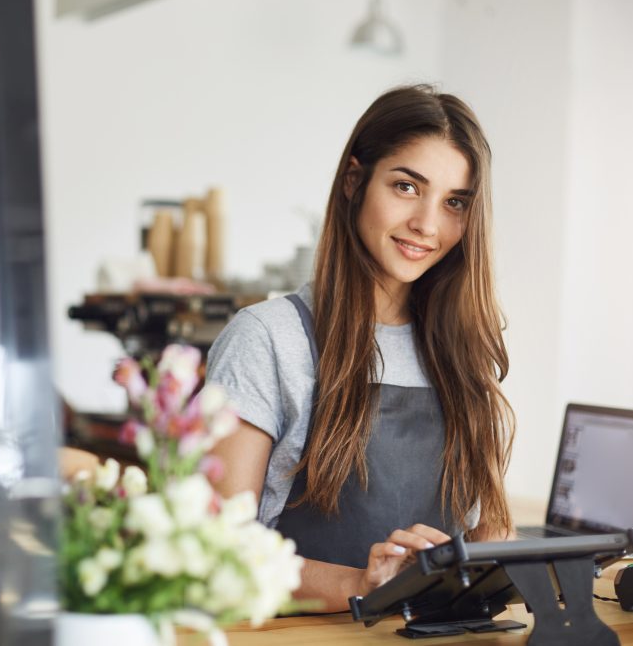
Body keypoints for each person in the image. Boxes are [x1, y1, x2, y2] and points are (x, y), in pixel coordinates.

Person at [206, 84, 515, 612]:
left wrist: (490, 564)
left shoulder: (461, 349)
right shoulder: (267, 338)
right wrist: (366, 585)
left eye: (454, 202)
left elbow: (488, 525)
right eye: (406, 186)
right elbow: (217, 550)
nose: (427, 224)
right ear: (355, 181)